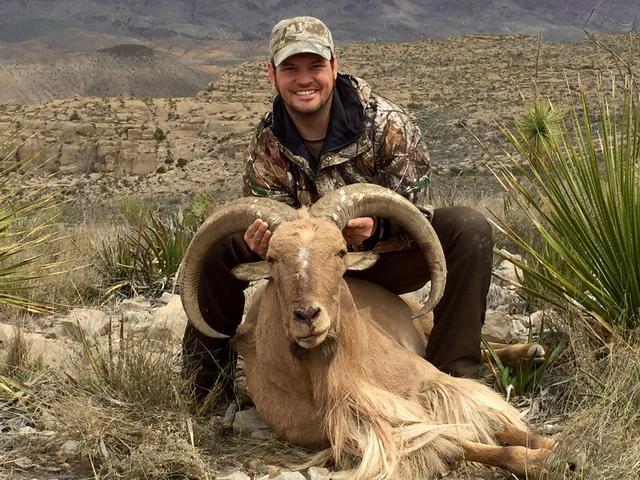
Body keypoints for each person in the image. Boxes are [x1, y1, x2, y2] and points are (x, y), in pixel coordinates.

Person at [182, 16, 493, 400]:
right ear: (272, 74)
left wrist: (376, 230)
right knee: (222, 245)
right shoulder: (268, 142)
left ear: (334, 66)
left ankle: (454, 376)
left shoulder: (386, 123)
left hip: (383, 261)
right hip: (310, 274)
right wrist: (267, 243)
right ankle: (205, 390)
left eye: (315, 66)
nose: (304, 79)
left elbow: (416, 212)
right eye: (290, 68)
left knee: (467, 227)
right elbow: (275, 223)